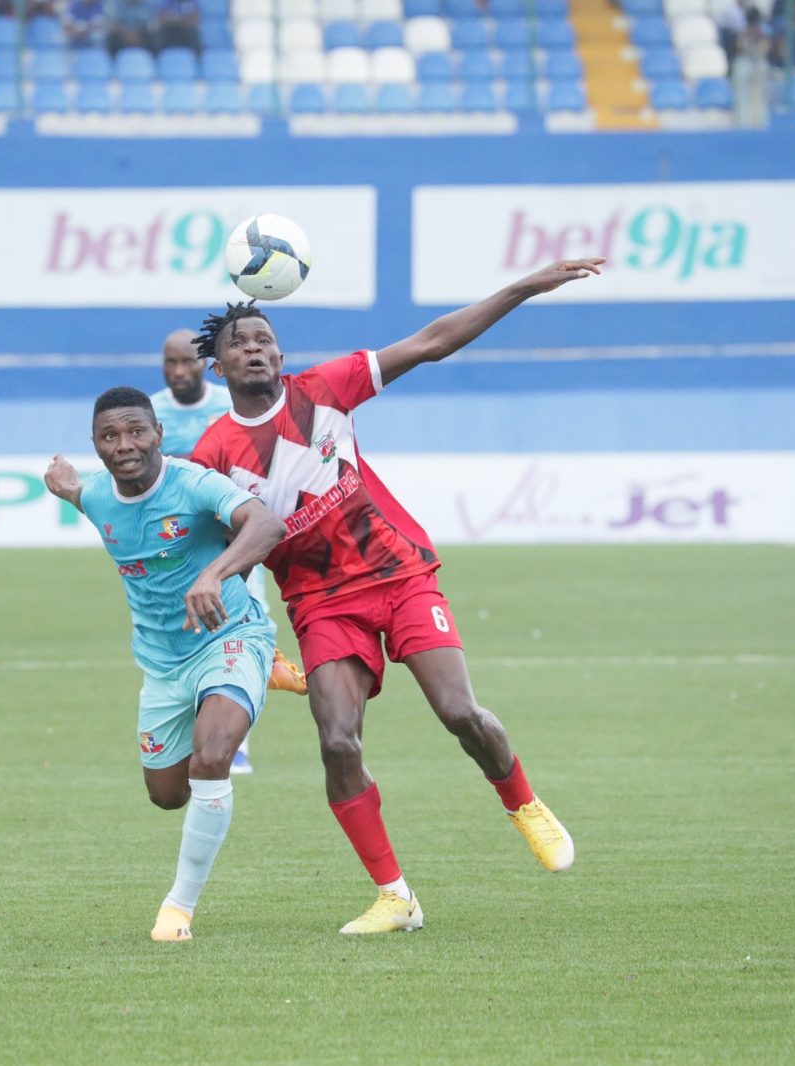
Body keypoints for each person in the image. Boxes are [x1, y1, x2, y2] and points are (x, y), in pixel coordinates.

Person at [189, 257, 604, 934]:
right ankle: (394, 897)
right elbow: (217, 551)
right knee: (338, 743)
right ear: (221, 368)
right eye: (239, 343)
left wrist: (525, 287)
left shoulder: (326, 387)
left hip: (399, 575)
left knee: (459, 711)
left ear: (281, 353)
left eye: (263, 338)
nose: (253, 348)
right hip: (321, 603)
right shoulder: (214, 454)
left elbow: (431, 343)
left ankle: (523, 802)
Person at [43, 387, 285, 942]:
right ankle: (269, 669)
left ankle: (178, 907)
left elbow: (266, 525)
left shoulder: (194, 481)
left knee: (214, 756)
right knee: (168, 795)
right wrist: (66, 489)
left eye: (136, 432)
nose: (125, 445)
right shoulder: (99, 497)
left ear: (157, 433)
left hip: (229, 636)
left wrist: (214, 574)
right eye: (110, 436)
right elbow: (82, 494)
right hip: (162, 666)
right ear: (96, 445)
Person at [151, 328, 308, 776]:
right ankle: (192, 735)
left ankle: (235, 745)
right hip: (180, 541)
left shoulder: (229, 404)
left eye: (188, 362)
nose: (180, 371)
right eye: (171, 363)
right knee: (187, 632)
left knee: (240, 622)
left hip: (235, 533)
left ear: (206, 363)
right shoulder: (151, 412)